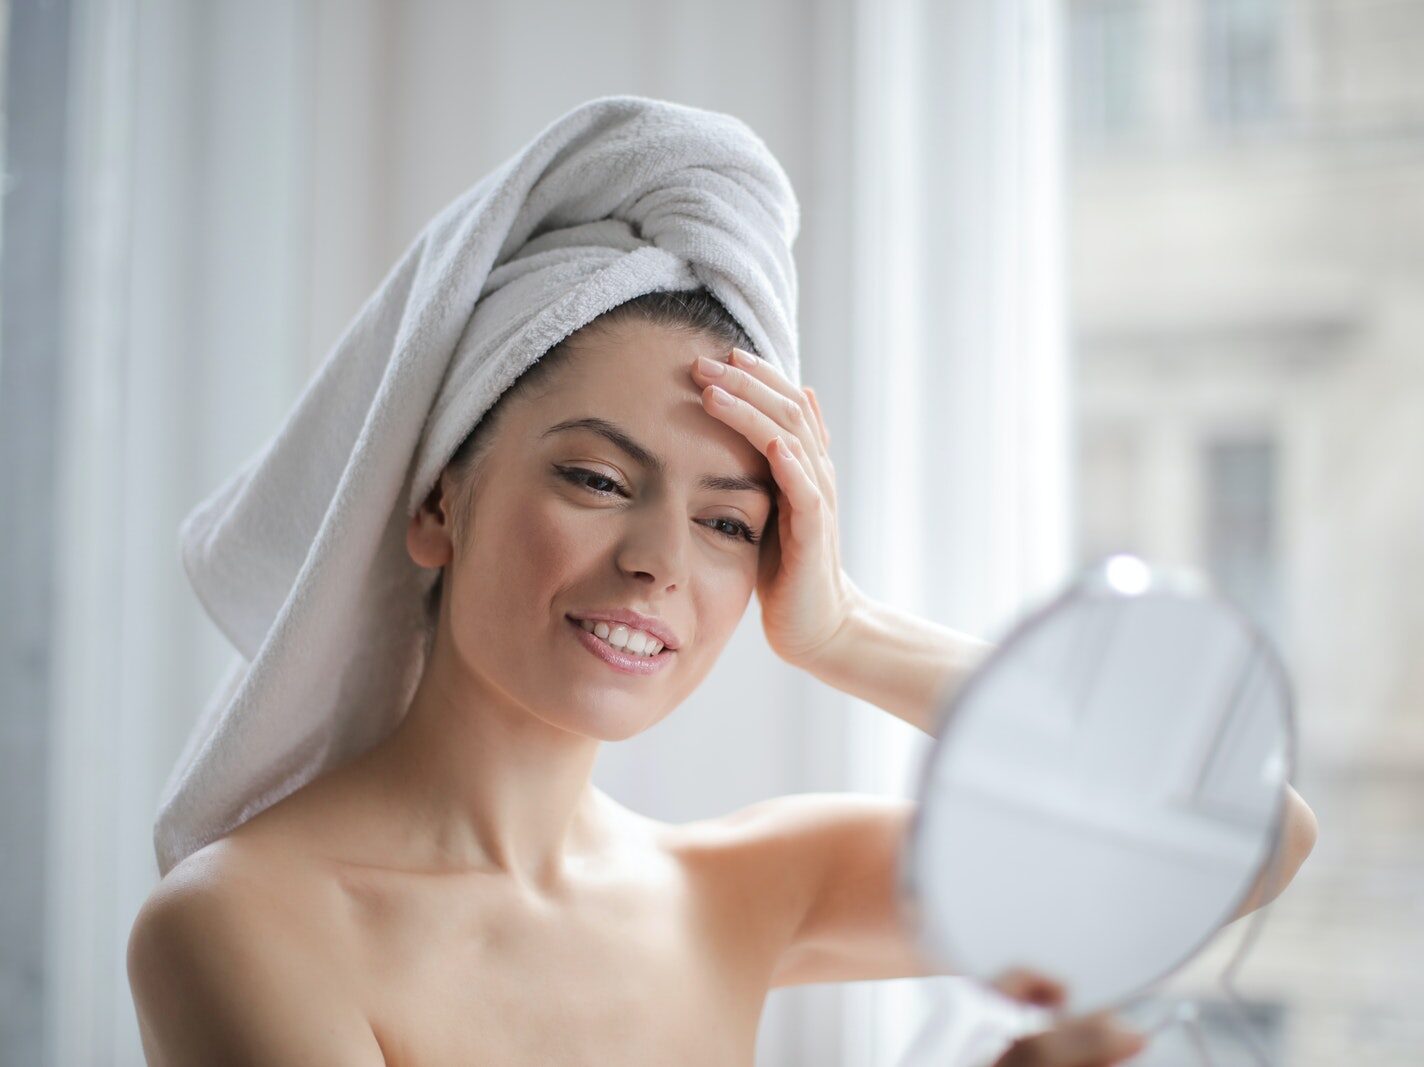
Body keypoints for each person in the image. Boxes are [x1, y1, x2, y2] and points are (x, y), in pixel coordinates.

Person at [127, 288, 1316, 1065]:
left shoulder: (741, 886)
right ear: (439, 499)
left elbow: (1248, 837)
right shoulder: (245, 922)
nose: (654, 560)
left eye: (729, 523)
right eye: (596, 478)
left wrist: (844, 630)